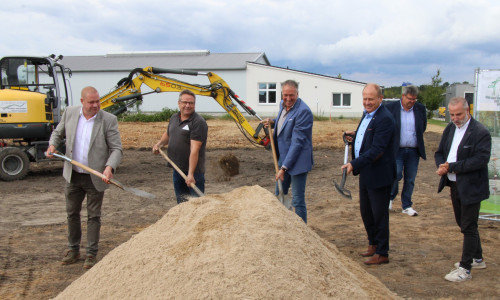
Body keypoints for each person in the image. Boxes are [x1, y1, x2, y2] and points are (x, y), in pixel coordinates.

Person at [46, 86, 123, 269]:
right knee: (72, 213)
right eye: (91, 102)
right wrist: (52, 146)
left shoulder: (108, 120)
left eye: (98, 101)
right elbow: (58, 133)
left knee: (93, 216)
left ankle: (91, 253)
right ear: (82, 102)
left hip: (95, 176)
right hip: (73, 175)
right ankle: (73, 249)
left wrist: (109, 167)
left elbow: (116, 149)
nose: (96, 105)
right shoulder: (70, 113)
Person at [435, 96, 491, 282]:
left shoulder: (480, 132)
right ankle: (478, 258)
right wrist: (442, 166)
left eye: (458, 114)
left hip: (472, 186)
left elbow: (480, 160)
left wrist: (451, 166)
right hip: (454, 184)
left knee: (468, 226)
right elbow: (440, 152)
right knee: (463, 223)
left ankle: (465, 268)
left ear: (468, 111)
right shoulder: (450, 128)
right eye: (452, 114)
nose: (455, 118)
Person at [342, 83, 396, 265]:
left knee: (379, 214)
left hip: (379, 174)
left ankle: (382, 252)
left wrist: (354, 163)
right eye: (365, 98)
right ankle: (373, 244)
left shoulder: (385, 118)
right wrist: (355, 136)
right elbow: (368, 136)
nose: (367, 102)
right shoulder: (368, 115)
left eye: (371, 99)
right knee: (367, 212)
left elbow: (377, 149)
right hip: (366, 172)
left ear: (380, 99)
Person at [262, 80, 313, 223]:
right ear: (281, 94)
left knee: (297, 200)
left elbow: (297, 143)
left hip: (298, 161)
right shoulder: (282, 105)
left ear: (297, 93)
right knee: (279, 194)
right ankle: (282, 228)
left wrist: (284, 168)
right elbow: (284, 121)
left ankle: (303, 233)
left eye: (292, 95)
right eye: (285, 95)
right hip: (283, 158)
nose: (288, 99)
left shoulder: (303, 111)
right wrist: (273, 122)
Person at [152, 89, 208, 204]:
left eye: (191, 103)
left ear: (194, 104)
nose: (187, 105)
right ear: (179, 103)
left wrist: (191, 174)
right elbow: (168, 134)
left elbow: (195, 150)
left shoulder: (198, 122)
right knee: (181, 204)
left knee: (195, 205)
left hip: (194, 173)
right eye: (185, 102)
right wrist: (159, 144)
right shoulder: (174, 118)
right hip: (177, 169)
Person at [386, 85, 427, 216]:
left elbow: (423, 127)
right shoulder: (391, 108)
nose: (412, 102)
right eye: (410, 99)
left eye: (415, 99)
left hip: (413, 151)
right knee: (395, 175)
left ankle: (407, 205)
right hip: (396, 150)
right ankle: (390, 198)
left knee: (410, 179)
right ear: (403, 96)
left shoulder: (420, 109)